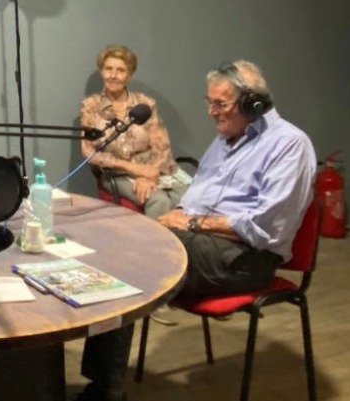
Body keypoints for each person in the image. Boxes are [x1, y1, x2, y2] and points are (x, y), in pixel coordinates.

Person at [74, 60, 317, 401]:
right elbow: (194, 199)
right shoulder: (225, 140)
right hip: (205, 245)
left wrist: (190, 223)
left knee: (133, 259)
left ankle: (104, 392)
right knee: (126, 242)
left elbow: (266, 226)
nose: (211, 112)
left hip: (248, 258)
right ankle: (101, 385)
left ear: (252, 104)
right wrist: (170, 218)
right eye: (209, 102)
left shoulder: (289, 145)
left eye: (221, 104)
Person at [80, 45, 189, 220]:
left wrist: (149, 175)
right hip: (119, 174)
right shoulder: (91, 106)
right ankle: (155, 239)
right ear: (101, 71)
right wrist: (133, 168)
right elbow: (88, 152)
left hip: (156, 169)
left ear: (129, 74)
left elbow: (161, 146)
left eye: (120, 70)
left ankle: (185, 237)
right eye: (108, 69)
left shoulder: (145, 104)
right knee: (158, 200)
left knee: (191, 196)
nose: (113, 75)